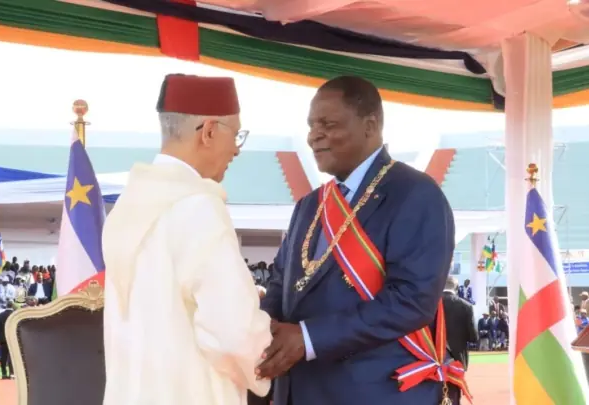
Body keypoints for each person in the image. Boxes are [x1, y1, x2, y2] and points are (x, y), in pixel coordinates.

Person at [258, 76, 467, 405]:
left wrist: (309, 339)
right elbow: (281, 281)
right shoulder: (309, 205)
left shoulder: (414, 193)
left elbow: (411, 300)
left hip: (375, 392)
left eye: (328, 124)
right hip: (299, 390)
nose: (314, 136)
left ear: (369, 126)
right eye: (311, 125)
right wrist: (264, 326)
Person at [102, 74, 271, 405]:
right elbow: (233, 333)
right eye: (236, 135)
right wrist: (270, 351)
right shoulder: (198, 207)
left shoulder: (128, 204)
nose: (237, 149)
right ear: (209, 132)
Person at [442, 277, 478, 370]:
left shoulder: (432, 304)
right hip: (458, 355)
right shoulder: (467, 306)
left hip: (435, 355)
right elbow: (473, 336)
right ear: (457, 287)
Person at [0, 301, 15, 379]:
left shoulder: (0, 315)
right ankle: (12, 373)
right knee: (12, 357)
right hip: (13, 338)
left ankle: (4, 373)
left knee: (3, 356)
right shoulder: (14, 314)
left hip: (3, 339)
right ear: (12, 305)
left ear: (6, 305)